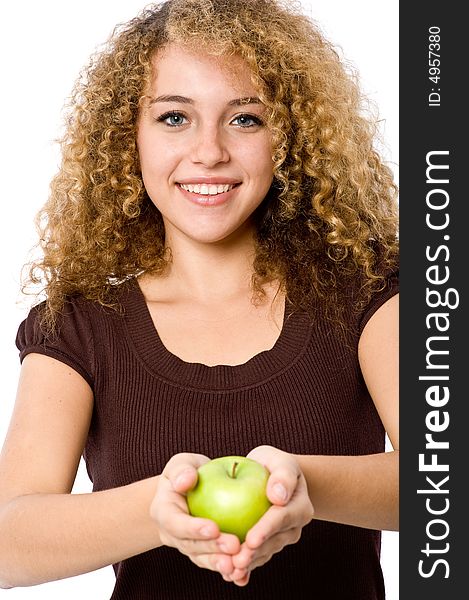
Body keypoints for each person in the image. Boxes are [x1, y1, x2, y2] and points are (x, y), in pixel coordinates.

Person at [0, 0, 399, 598]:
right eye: (174, 118)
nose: (209, 151)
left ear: (289, 139)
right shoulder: (78, 327)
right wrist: (158, 511)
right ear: (126, 136)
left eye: (245, 119)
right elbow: (9, 545)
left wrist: (303, 484)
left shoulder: (368, 295)